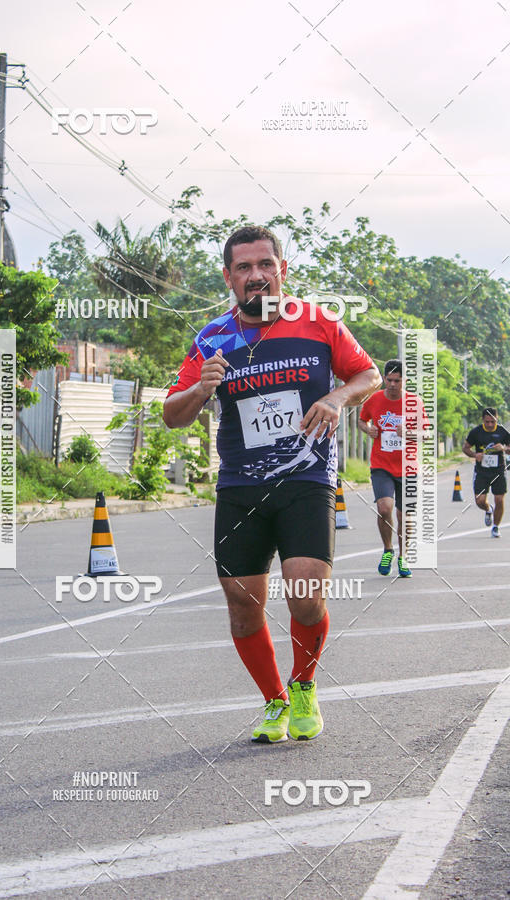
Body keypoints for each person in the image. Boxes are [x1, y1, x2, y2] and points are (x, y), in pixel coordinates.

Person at [163, 225, 380, 743]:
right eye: (244, 267)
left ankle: (304, 684)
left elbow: (367, 375)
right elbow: (172, 414)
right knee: (242, 603)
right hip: (240, 483)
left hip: (306, 475)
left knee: (305, 593)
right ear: (228, 277)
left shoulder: (318, 321)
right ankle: (274, 701)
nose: (256, 276)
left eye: (265, 265)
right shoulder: (212, 338)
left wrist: (336, 399)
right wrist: (200, 387)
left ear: (282, 270)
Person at [359, 359, 426, 578]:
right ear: (384, 379)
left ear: (404, 381)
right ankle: (388, 549)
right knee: (385, 508)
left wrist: (408, 434)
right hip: (381, 465)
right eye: (389, 380)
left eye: (397, 381)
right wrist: (368, 430)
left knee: (405, 516)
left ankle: (403, 556)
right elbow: (362, 420)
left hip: (408, 467)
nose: (393, 384)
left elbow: (425, 434)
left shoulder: (415, 403)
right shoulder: (375, 399)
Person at [462, 407, 510, 538]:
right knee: (480, 501)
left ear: (497, 419)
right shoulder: (476, 432)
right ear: (483, 420)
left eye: (492, 422)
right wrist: (474, 455)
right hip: (481, 471)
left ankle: (495, 527)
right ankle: (489, 510)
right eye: (487, 421)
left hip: (499, 470)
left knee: (499, 499)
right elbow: (465, 448)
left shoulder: (503, 432)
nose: (489, 424)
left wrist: (504, 448)